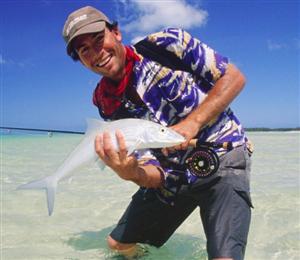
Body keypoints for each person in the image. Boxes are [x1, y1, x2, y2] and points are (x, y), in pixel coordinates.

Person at [63, 6, 253, 260]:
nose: (97, 52)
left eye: (99, 39)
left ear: (116, 32)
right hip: (171, 178)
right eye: (84, 49)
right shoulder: (105, 101)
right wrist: (131, 172)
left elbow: (234, 78)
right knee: (118, 246)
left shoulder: (166, 44)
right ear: (81, 59)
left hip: (223, 156)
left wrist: (192, 123)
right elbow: (150, 170)